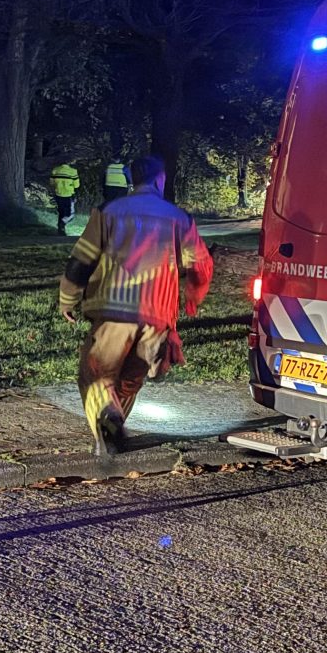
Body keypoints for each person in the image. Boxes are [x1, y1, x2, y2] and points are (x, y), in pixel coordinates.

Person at [58, 155, 213, 456]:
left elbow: (82, 260)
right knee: (129, 380)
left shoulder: (109, 211)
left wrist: (68, 298)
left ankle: (108, 419)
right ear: (160, 179)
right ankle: (110, 440)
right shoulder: (179, 218)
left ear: (132, 179)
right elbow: (202, 265)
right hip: (157, 317)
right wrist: (194, 295)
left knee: (97, 377)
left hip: (114, 312)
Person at [49, 160, 80, 233]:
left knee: (61, 212)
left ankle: (61, 230)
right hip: (68, 195)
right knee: (70, 215)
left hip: (58, 194)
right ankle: (62, 224)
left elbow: (52, 183)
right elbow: (77, 185)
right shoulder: (73, 171)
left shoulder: (55, 170)